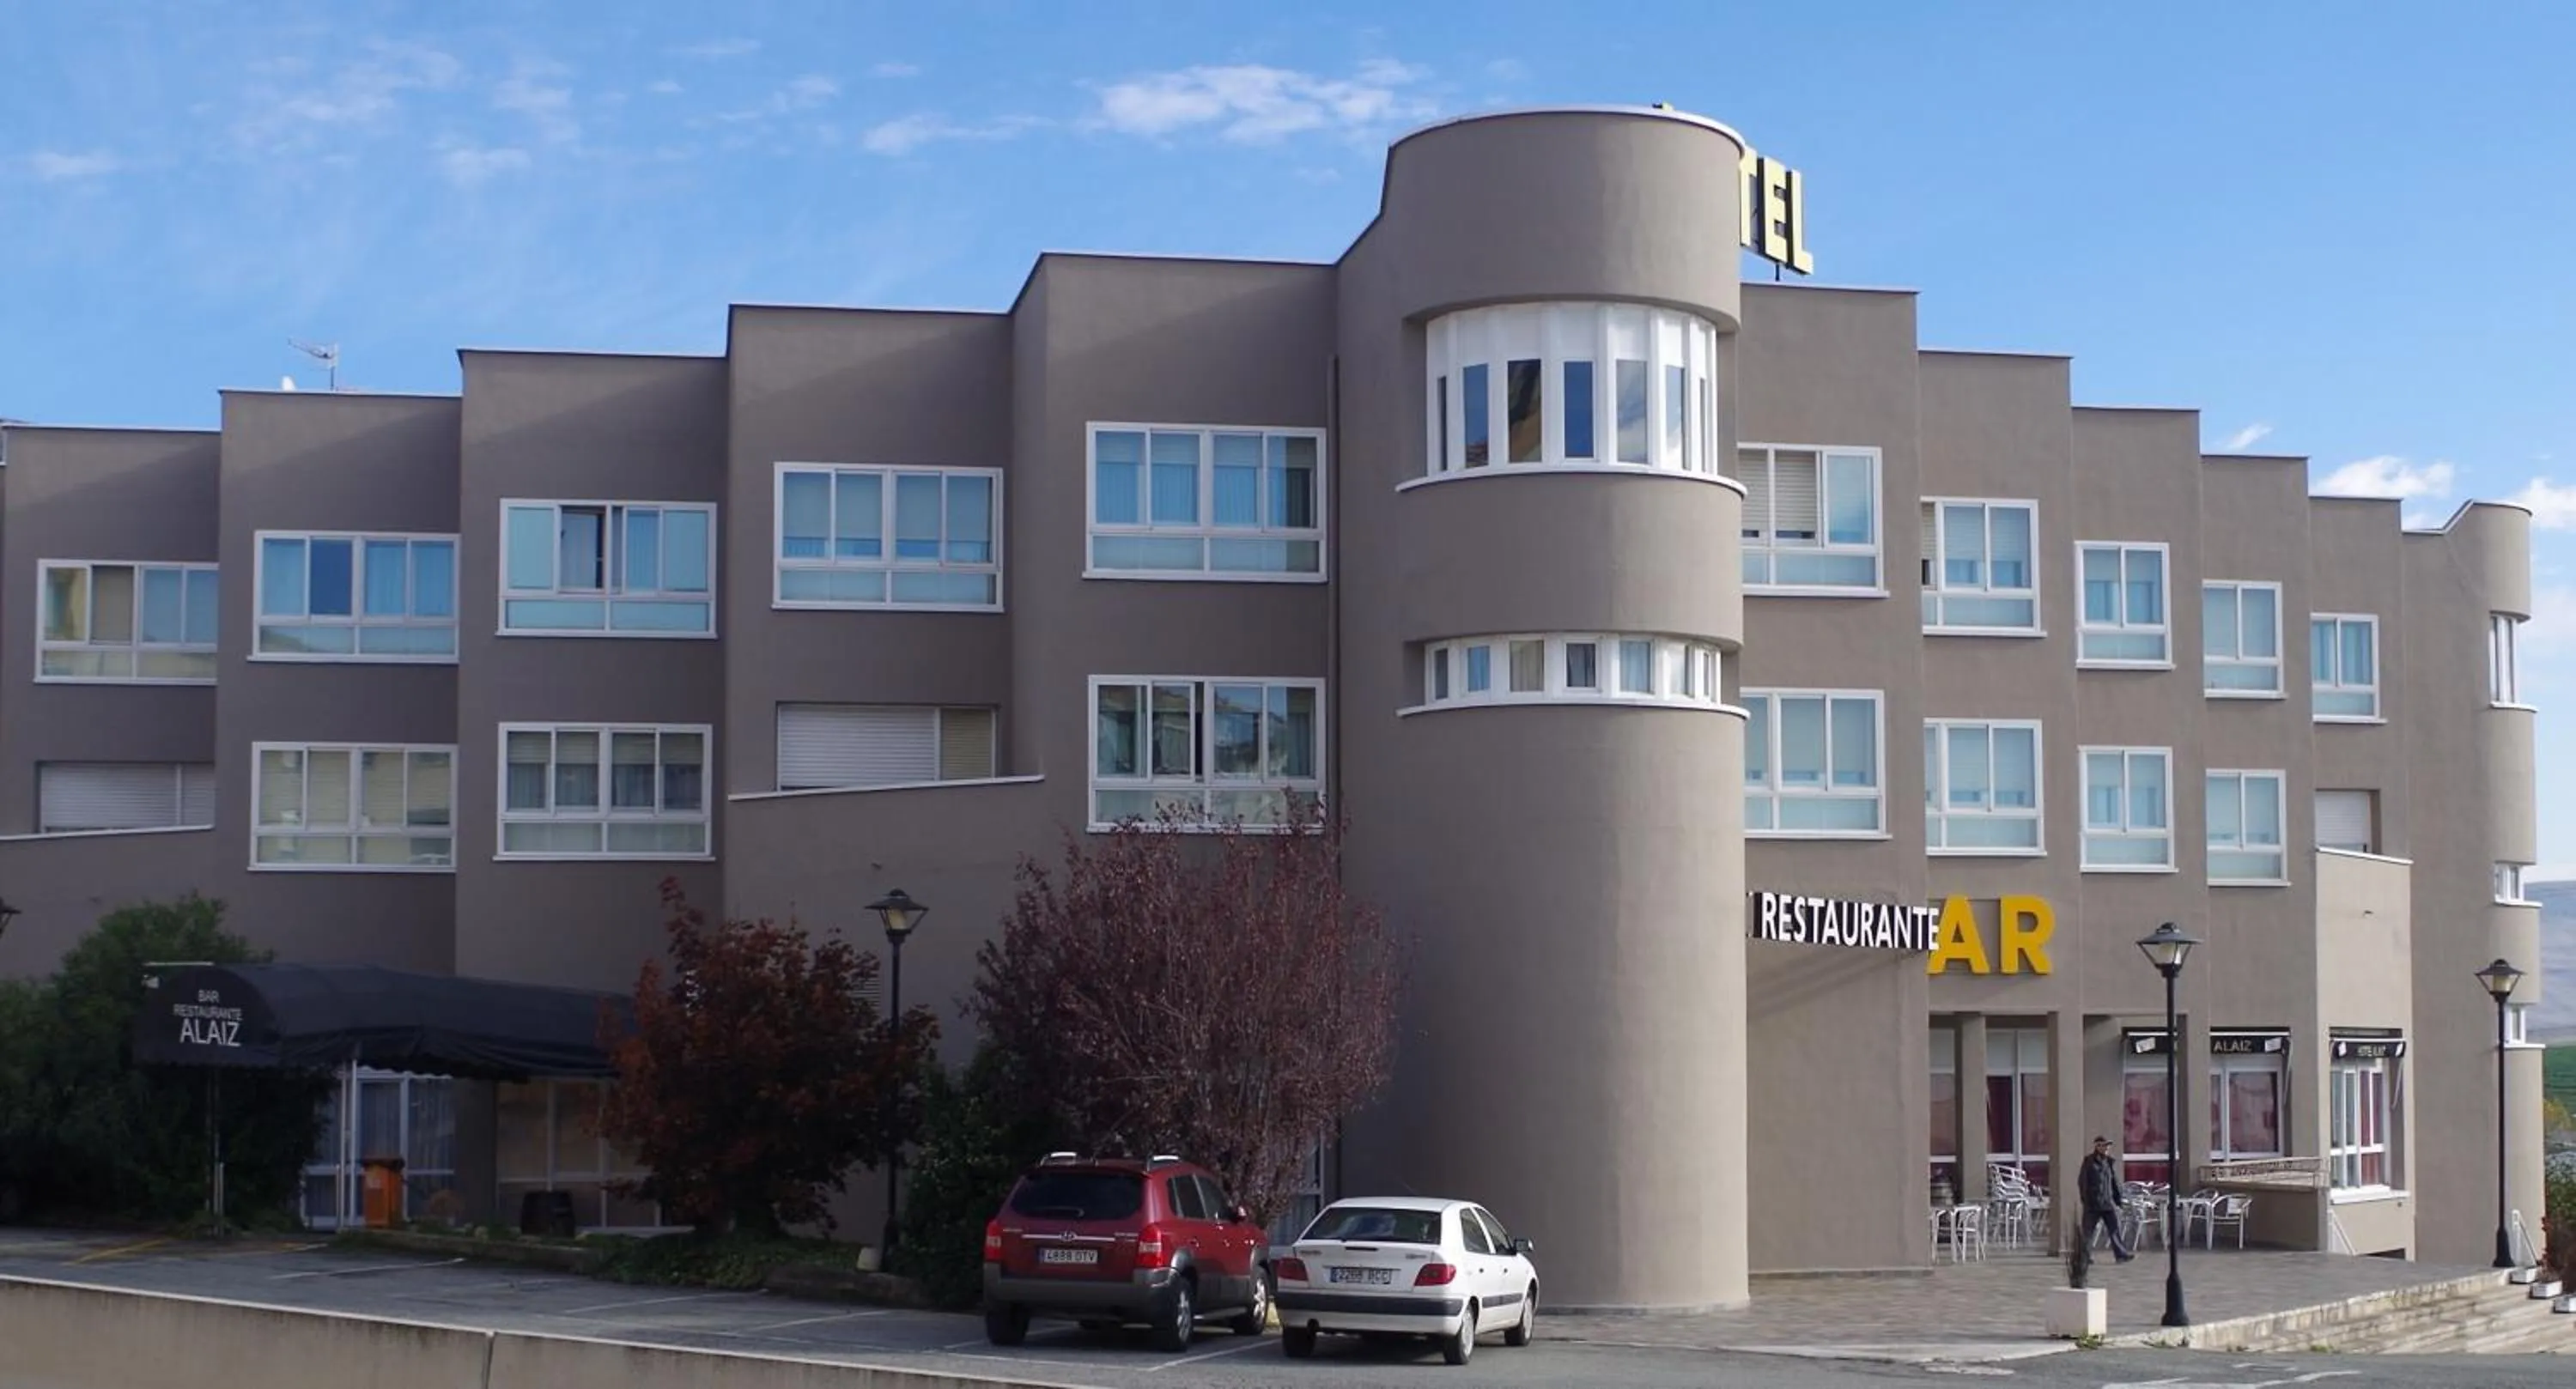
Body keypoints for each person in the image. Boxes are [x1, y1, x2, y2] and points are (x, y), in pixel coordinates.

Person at [2078, 1136, 2134, 1263]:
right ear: (2097, 1146)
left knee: (2114, 1229)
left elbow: (2114, 1182)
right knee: (2088, 1232)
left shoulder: (2108, 1162)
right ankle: (2085, 1257)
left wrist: (2118, 1200)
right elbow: (2083, 1182)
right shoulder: (2089, 1162)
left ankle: (2121, 1255)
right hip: (2093, 1204)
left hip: (2108, 1202)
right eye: (2104, 1145)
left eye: (2108, 1145)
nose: (2107, 1148)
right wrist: (2086, 1200)